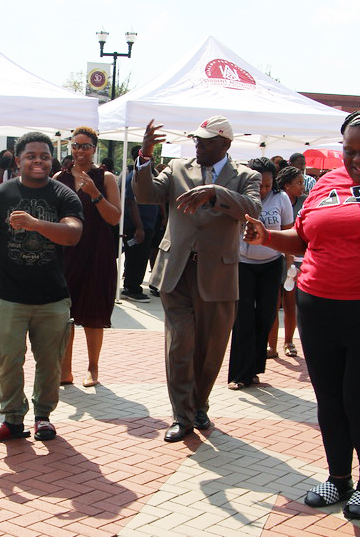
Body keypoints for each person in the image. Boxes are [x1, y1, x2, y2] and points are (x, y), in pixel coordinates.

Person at [244, 111, 360, 521]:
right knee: (330, 399)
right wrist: (267, 236)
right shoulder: (327, 183)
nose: (357, 159)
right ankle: (338, 478)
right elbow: (302, 236)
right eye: (350, 150)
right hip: (318, 307)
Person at [133, 116, 261, 442]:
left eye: (206, 141)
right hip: (176, 270)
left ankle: (199, 404)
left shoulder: (246, 175)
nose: (198, 145)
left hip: (218, 274)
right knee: (180, 345)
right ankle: (182, 416)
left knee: (210, 347)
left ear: (225, 145)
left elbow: (253, 208)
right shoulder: (177, 167)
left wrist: (216, 193)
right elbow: (146, 194)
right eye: (197, 140)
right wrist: (145, 157)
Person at [0, 131, 83, 443]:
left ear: (51, 160)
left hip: (52, 297)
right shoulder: (0, 195)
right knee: (7, 359)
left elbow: (73, 234)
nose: (38, 161)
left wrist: (35, 224)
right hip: (9, 295)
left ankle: (43, 417)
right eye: (31, 156)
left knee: (49, 361)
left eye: (44, 156)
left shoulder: (63, 195)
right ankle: (13, 419)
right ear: (18, 161)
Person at [55, 126, 121, 387]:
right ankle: (65, 370)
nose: (80, 151)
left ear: (95, 148)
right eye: (75, 146)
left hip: (97, 252)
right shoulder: (59, 177)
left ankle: (93, 368)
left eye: (85, 146)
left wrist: (95, 194)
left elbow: (114, 218)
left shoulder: (105, 178)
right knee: (65, 314)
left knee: (94, 313)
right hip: (67, 253)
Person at [227, 158, 293, 390]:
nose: (263, 190)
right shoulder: (242, 198)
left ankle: (254, 369)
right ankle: (238, 374)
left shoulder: (281, 199)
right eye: (260, 185)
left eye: (267, 185)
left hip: (271, 264)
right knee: (243, 319)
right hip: (243, 264)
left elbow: (288, 232)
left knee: (266, 317)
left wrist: (290, 265)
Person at [266, 166, 306, 359]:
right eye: (298, 183)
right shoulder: (277, 200)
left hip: (297, 260)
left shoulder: (305, 203)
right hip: (276, 258)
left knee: (291, 303)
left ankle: (289, 342)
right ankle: (271, 346)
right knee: (273, 303)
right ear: (287, 185)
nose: (302, 187)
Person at [122, 144, 159, 303]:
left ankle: (131, 285)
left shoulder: (149, 176)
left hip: (147, 225)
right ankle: (132, 288)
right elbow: (131, 202)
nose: (153, 159)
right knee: (137, 257)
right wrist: (139, 227)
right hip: (138, 227)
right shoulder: (134, 176)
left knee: (140, 257)